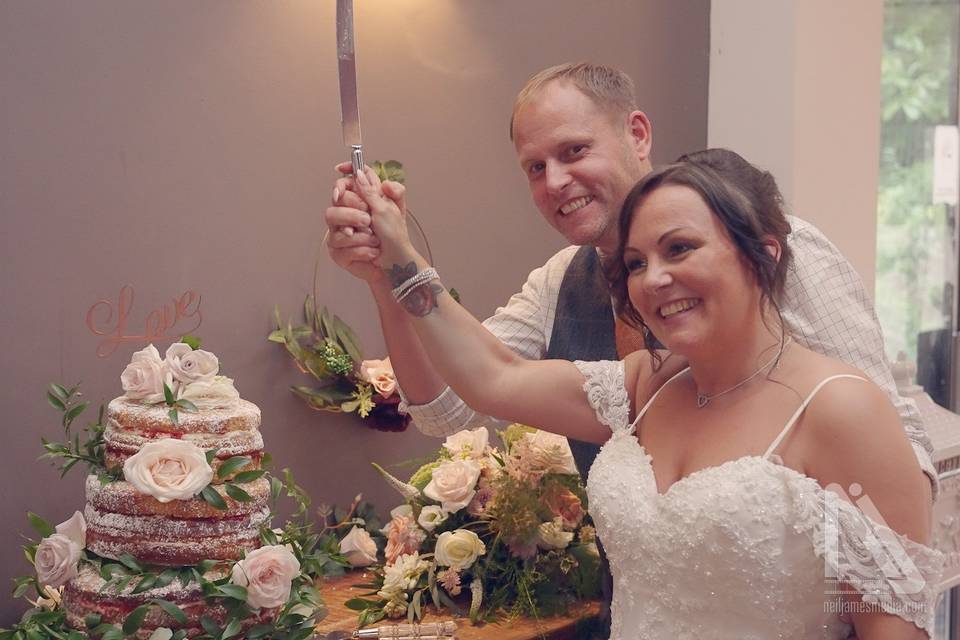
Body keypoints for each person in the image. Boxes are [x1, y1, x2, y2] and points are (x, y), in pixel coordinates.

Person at [346, 149, 943, 638]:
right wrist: (395, 260)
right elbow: (491, 377)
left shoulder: (841, 408)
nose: (654, 279)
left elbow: (892, 630)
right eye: (636, 262)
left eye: (680, 249)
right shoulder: (644, 385)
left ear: (763, 252)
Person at [324, 63, 937, 502]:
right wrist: (386, 277)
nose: (555, 181)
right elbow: (448, 406)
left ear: (637, 135)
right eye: (535, 168)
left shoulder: (773, 250)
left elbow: (899, 450)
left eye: (573, 151)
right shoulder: (561, 283)